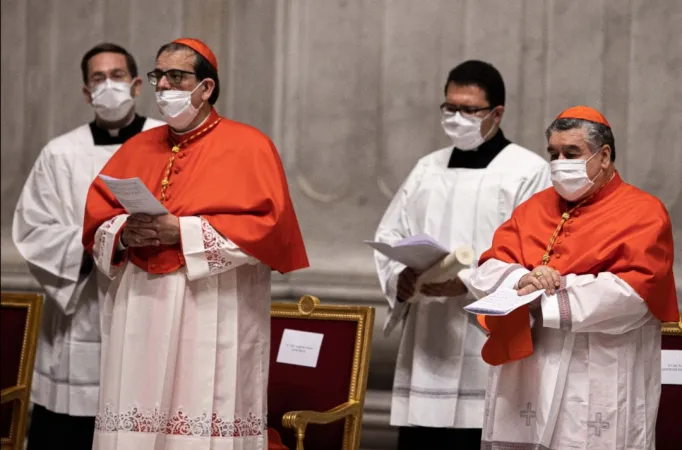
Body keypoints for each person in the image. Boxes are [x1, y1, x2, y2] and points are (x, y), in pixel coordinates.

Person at [81, 38, 308, 450]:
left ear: (205, 88)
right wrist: (122, 233)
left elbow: (268, 230)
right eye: (159, 77)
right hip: (140, 309)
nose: (164, 86)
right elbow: (99, 218)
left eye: (177, 76)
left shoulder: (249, 146)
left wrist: (181, 232)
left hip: (211, 305)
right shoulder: (137, 147)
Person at [469, 106, 679, 449]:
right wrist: (523, 280)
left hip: (598, 366)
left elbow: (635, 292)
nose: (559, 161)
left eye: (571, 153)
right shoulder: (533, 207)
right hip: (529, 370)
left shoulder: (644, 212)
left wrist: (555, 290)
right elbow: (490, 265)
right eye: (553, 153)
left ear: (605, 156)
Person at [373, 60, 551, 449]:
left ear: (496, 113)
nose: (457, 118)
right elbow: (390, 233)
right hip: (427, 334)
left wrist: (466, 282)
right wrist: (399, 277)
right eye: (450, 108)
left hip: (484, 333)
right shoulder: (427, 169)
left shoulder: (527, 171)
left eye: (470, 110)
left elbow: (535, 252)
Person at [12, 43, 163, 450]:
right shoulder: (59, 154)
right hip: (82, 316)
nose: (108, 86)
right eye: (98, 78)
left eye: (117, 76)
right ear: (86, 91)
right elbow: (33, 230)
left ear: (135, 86)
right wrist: (104, 241)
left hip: (151, 306)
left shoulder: (165, 145)